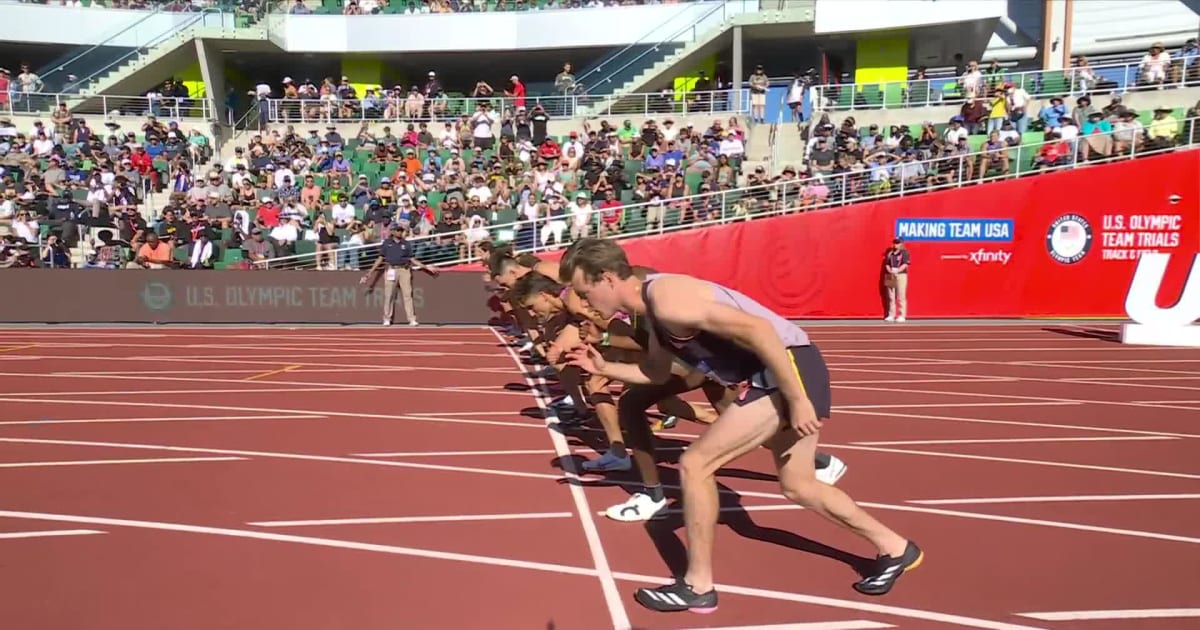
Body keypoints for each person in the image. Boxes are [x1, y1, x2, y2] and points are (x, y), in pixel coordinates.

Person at [561, 238, 921, 613]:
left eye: (585, 293)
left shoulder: (667, 297)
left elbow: (760, 330)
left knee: (695, 464)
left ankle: (698, 585)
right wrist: (603, 368)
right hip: (785, 372)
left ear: (606, 278)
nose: (586, 305)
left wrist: (797, 399)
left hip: (786, 370)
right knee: (799, 485)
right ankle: (896, 548)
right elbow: (654, 372)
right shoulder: (653, 314)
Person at [361, 223, 437, 326]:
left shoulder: (406, 244)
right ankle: (387, 318)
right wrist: (369, 273)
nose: (400, 232)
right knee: (389, 295)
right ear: (392, 232)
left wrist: (426, 267)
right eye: (397, 230)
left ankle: (411, 319)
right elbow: (380, 258)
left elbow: (412, 259)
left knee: (407, 295)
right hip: (391, 269)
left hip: (404, 270)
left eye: (401, 230)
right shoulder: (387, 243)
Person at [884, 237, 909, 322]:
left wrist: (897, 270)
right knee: (891, 296)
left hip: (900, 275)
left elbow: (905, 264)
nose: (896, 244)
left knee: (901, 295)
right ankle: (891, 314)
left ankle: (902, 315)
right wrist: (890, 270)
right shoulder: (890, 253)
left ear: (901, 243)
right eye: (895, 242)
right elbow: (887, 264)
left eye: (898, 243)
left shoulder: (904, 253)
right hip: (891, 275)